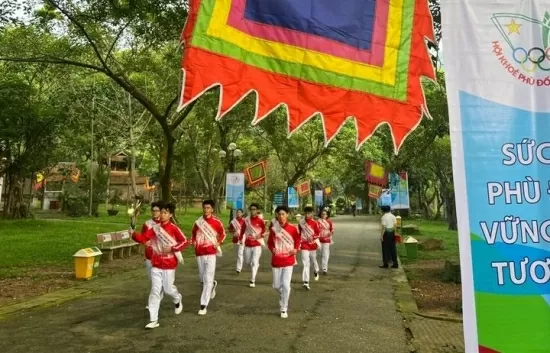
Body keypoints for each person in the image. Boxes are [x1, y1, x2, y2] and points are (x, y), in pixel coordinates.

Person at [131, 201, 187, 329]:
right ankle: (153, 320)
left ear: (170, 214)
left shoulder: (174, 228)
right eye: (161, 212)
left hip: (169, 265)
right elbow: (144, 238)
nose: (161, 215)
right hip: (156, 264)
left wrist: (173, 248)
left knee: (168, 289)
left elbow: (184, 241)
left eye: (165, 212)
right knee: (155, 291)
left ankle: (177, 299)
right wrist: (133, 234)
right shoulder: (155, 229)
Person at [191, 199, 226, 316]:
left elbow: (223, 234)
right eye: (204, 208)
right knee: (202, 279)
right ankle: (212, 285)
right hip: (199, 253)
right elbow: (193, 234)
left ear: (212, 209)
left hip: (211, 253)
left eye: (208, 208)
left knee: (207, 278)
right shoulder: (198, 222)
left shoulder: (216, 222)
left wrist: (219, 242)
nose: (206, 210)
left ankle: (203, 305)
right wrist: (194, 241)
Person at [268, 205, 301, 318]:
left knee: (286, 285)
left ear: (287, 215)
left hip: (288, 260)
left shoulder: (293, 228)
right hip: (276, 260)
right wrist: (272, 249)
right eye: (279, 214)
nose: (281, 216)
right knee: (277, 286)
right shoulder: (274, 229)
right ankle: (283, 296)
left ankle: (284, 308)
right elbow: (270, 242)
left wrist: (295, 249)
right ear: (276, 216)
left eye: (283, 214)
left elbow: (297, 240)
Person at [138, 201, 162, 310]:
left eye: (157, 210)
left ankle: (152, 303)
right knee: (152, 280)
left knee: (158, 281)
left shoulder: (165, 223)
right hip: (149, 256)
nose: (155, 212)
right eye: (153, 210)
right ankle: (158, 295)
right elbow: (143, 238)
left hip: (161, 257)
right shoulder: (147, 224)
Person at [240, 203, 266, 288]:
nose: (252, 211)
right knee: (247, 262)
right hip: (248, 244)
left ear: (257, 210)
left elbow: (264, 231)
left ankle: (252, 280)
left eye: (254, 209)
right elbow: (242, 230)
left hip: (257, 245)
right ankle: (254, 264)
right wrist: (240, 239)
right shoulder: (246, 220)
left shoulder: (260, 221)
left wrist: (260, 235)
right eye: (251, 209)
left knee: (254, 263)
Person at [298, 206, 321, 290]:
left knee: (313, 260)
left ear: (312, 213)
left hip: (312, 244)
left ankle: (316, 270)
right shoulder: (301, 222)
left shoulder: (315, 223)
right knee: (305, 263)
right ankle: (306, 281)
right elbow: (299, 233)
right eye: (306, 213)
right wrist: (299, 243)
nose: (307, 215)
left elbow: (318, 233)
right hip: (304, 244)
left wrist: (314, 237)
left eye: (309, 213)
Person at [317, 210, 334, 275]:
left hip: (326, 239)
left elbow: (332, 229)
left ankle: (324, 268)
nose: (323, 215)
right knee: (321, 253)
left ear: (327, 215)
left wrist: (331, 233)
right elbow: (315, 229)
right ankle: (320, 266)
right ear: (320, 215)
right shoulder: (318, 222)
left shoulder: (329, 222)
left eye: (325, 214)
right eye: (322, 214)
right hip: (319, 239)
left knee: (325, 254)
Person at [229, 209, 245, 273]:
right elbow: (230, 229)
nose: (238, 213)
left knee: (240, 254)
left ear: (242, 213)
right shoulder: (233, 221)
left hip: (242, 239)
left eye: (240, 212)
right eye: (237, 212)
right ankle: (240, 262)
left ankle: (239, 268)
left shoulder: (245, 221)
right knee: (236, 254)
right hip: (235, 239)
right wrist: (233, 231)